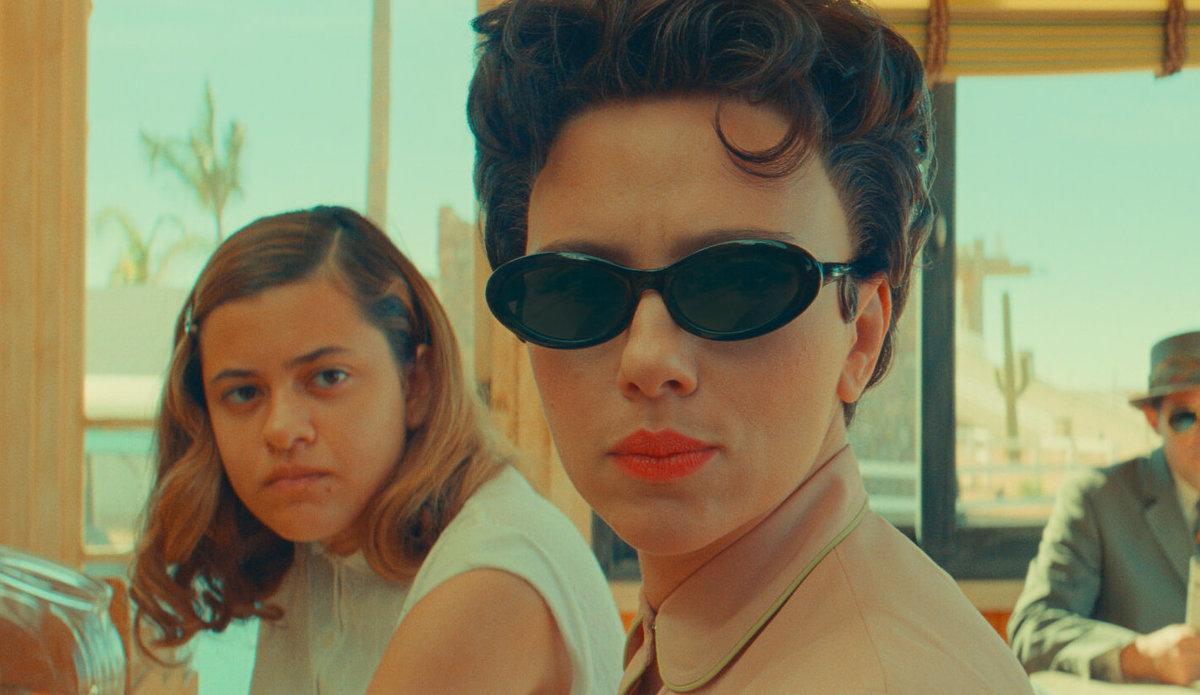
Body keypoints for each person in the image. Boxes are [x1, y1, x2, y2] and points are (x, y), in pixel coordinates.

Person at [468, 1, 1034, 693]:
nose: (647, 360)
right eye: (574, 289)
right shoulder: (699, 621)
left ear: (861, 333)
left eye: (738, 284)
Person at [129, 205, 624, 695]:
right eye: (243, 393)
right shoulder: (316, 539)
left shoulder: (490, 578)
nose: (281, 429)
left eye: (327, 377)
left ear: (415, 383)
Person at [1008, 330, 1200, 685]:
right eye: (1185, 418)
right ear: (1153, 419)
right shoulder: (1097, 500)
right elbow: (1033, 630)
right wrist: (1141, 657)